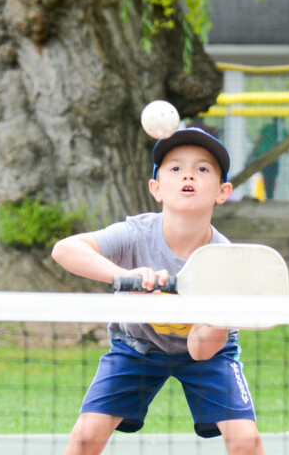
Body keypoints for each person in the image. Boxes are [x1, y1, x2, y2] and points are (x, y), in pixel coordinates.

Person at [51, 128, 264, 455]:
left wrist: (218, 319)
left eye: (202, 169)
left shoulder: (223, 259)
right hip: (136, 347)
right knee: (85, 437)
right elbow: (64, 250)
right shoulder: (135, 234)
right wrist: (127, 279)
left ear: (223, 192)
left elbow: (201, 351)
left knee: (246, 441)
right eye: (175, 168)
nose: (188, 175)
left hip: (205, 355)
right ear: (156, 188)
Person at [250, 118, 284, 199]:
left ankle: (268, 195)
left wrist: (252, 152)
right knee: (273, 178)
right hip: (273, 157)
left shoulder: (267, 128)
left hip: (263, 156)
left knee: (266, 177)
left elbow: (259, 140)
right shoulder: (282, 130)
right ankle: (270, 196)